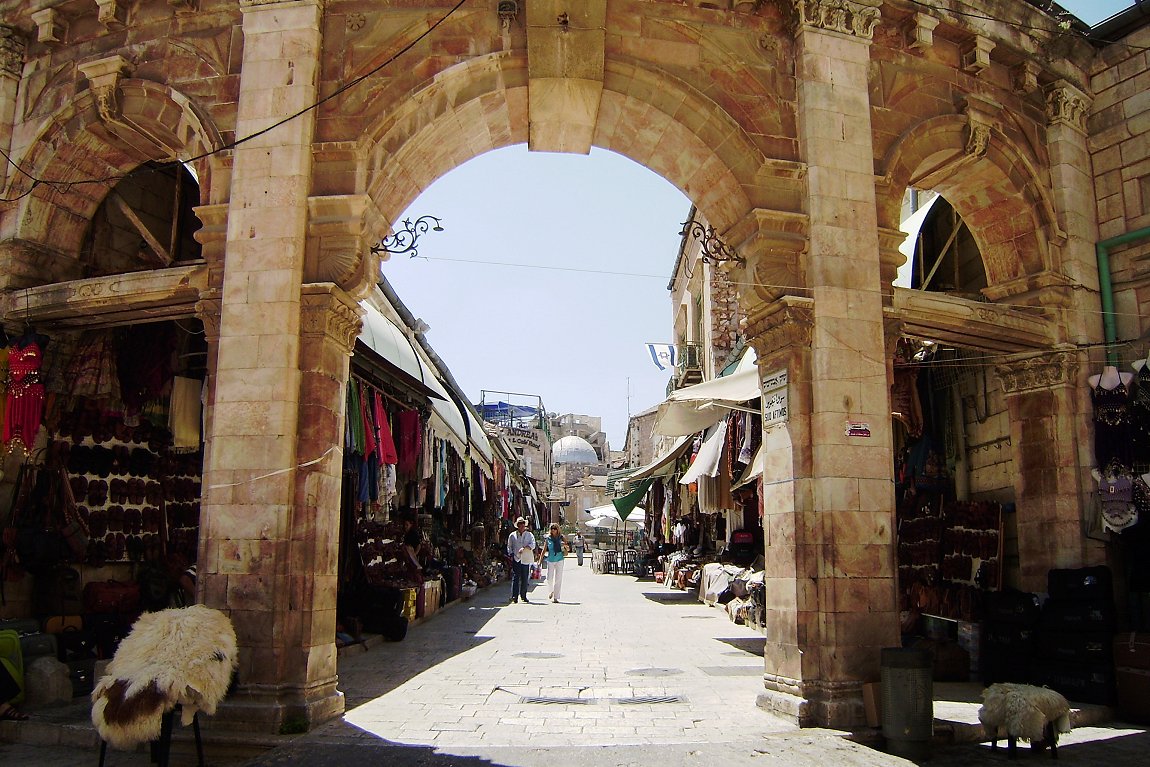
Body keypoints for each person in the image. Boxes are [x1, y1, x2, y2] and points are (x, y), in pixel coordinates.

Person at [506, 516, 536, 604]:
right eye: (520, 525)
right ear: (517, 526)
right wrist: (511, 554)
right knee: (515, 577)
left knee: (525, 578)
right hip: (516, 558)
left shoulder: (529, 535)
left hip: (525, 559)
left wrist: (525, 548)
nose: (521, 526)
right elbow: (509, 546)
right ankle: (514, 596)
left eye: (523, 524)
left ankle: (523, 595)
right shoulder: (512, 535)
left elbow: (533, 545)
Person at [542, 523, 568, 603]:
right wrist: (540, 560)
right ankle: (551, 591)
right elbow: (544, 549)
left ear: (557, 529)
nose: (553, 530)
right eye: (552, 528)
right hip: (550, 559)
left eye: (555, 528)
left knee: (558, 578)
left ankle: (556, 597)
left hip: (560, 559)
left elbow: (567, 547)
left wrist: (566, 548)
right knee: (549, 578)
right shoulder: (548, 538)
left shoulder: (561, 537)